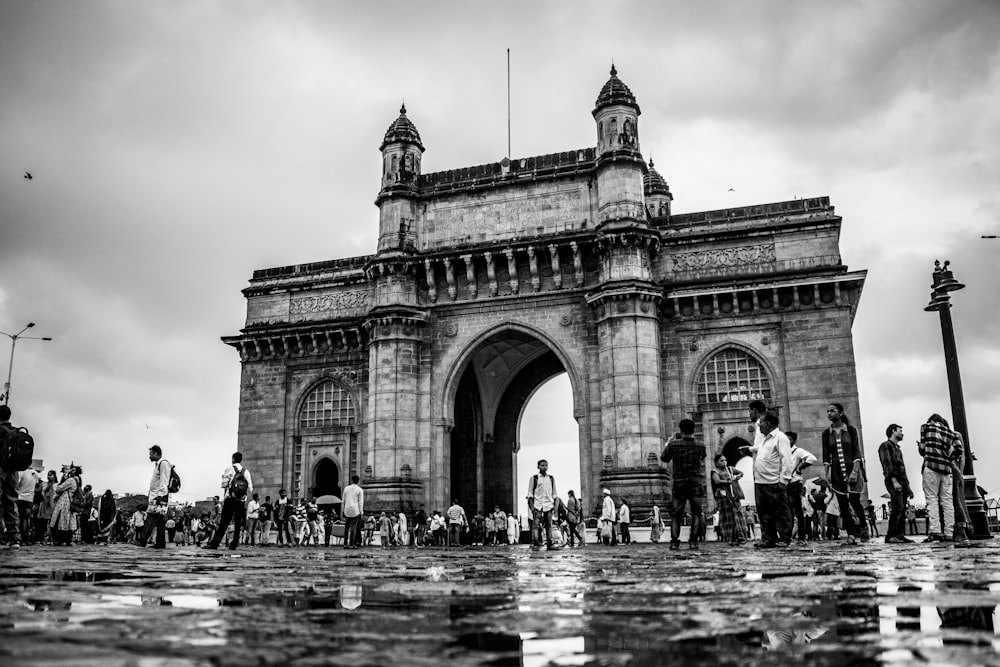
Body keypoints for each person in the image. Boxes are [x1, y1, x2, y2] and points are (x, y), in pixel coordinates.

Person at [821, 403, 869, 546]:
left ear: (840, 413)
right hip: (836, 471)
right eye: (828, 411)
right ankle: (851, 535)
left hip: (851, 468)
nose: (829, 413)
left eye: (832, 411)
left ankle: (864, 526)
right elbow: (826, 455)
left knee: (854, 500)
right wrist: (827, 474)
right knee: (842, 504)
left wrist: (855, 471)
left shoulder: (851, 430)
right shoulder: (826, 434)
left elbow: (856, 452)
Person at [744, 412, 793, 548]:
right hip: (761, 482)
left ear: (769, 424)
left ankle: (784, 538)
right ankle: (768, 538)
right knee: (764, 513)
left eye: (761, 423)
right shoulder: (766, 439)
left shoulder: (780, 438)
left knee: (780, 511)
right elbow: (762, 450)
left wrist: (784, 480)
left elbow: (787, 460)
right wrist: (749, 449)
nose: (759, 426)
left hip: (774, 482)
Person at [661, 419, 707, 550]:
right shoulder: (701, 445)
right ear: (694, 430)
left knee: (676, 513)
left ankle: (675, 541)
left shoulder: (674, 445)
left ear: (681, 430)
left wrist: (669, 442)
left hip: (679, 481)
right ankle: (694, 541)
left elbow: (664, 458)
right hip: (696, 481)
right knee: (696, 512)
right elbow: (702, 457)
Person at [918, 413, 961, 543]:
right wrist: (948, 458)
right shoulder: (952, 433)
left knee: (932, 499)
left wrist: (921, 447)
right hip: (946, 470)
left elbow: (923, 448)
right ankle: (949, 532)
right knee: (947, 502)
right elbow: (959, 450)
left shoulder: (925, 427)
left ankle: (936, 531)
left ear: (931, 420)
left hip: (931, 467)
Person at [205, 452, 253, 550]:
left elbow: (224, 485)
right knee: (237, 523)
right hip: (241, 501)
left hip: (230, 499)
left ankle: (215, 543)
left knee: (224, 522)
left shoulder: (229, 469)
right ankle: (234, 544)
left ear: (233, 459)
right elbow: (251, 488)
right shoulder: (246, 472)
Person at [878, 423, 913, 544]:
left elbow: (903, 468)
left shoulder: (898, 449)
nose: (902, 433)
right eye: (900, 430)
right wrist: (894, 481)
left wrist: (908, 486)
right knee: (897, 507)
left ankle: (900, 535)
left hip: (902, 481)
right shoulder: (885, 446)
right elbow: (887, 464)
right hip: (894, 480)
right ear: (893, 431)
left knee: (902, 509)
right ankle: (891, 535)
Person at [786, 431, 817, 544]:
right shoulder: (784, 452)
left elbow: (812, 458)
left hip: (795, 483)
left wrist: (800, 467)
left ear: (793, 440)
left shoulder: (798, 451)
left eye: (788, 439)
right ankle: (787, 537)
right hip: (786, 484)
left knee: (798, 511)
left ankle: (802, 538)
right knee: (788, 512)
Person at [0, 405, 22, 547]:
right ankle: (15, 537)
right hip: (13, 471)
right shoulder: (16, 432)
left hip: (1, 468)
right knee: (11, 502)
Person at [142, 445, 171, 549]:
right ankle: (160, 543)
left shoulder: (163, 463)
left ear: (155, 453)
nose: (149, 456)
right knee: (160, 521)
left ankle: (142, 540)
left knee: (151, 518)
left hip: (160, 496)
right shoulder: (158, 464)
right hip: (157, 496)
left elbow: (164, 480)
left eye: (150, 454)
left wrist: (160, 496)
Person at [711, 453, 744, 545]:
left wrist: (738, 477)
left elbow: (741, 473)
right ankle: (730, 537)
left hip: (733, 495)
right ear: (716, 463)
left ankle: (740, 535)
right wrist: (728, 482)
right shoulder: (715, 471)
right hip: (724, 498)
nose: (724, 462)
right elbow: (717, 481)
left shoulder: (730, 469)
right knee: (728, 517)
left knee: (737, 514)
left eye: (725, 460)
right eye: (721, 461)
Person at [528, 459, 559, 550]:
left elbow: (554, 493)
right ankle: (536, 542)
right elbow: (530, 493)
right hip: (538, 504)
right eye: (542, 465)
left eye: (546, 465)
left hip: (549, 504)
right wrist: (532, 507)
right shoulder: (534, 478)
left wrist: (555, 506)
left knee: (549, 525)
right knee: (536, 525)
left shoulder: (551, 478)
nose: (544, 467)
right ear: (538, 467)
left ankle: (550, 543)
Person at [50, 464, 82, 546]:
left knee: (61, 521)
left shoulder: (71, 480)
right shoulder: (77, 480)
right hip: (69, 502)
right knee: (68, 522)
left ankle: (61, 539)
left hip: (64, 503)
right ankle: (67, 539)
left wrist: (63, 480)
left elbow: (58, 488)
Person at [16, 462, 40, 545]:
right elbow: (37, 485)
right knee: (26, 519)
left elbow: (17, 484)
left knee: (19, 518)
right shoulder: (35, 474)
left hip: (20, 497)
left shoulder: (21, 472)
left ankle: (17, 538)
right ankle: (25, 539)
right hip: (29, 499)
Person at [341, 475, 364, 549]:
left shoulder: (346, 488)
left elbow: (343, 500)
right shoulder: (359, 490)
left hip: (347, 510)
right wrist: (361, 512)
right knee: (353, 528)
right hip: (355, 510)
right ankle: (351, 543)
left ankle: (345, 543)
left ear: (351, 480)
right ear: (358, 481)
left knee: (346, 527)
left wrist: (342, 510)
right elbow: (360, 502)